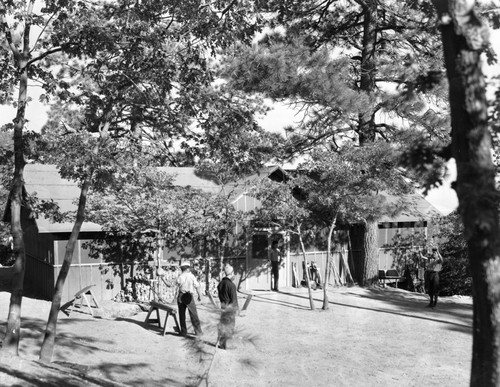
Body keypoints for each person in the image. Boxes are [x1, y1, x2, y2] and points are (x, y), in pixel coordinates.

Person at [173, 260, 203, 336]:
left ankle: (183, 332)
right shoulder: (192, 276)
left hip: (181, 296)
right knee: (193, 314)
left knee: (182, 315)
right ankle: (198, 332)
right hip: (189, 296)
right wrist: (199, 295)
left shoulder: (180, 277)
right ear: (187, 269)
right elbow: (197, 286)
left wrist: (163, 279)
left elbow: (172, 285)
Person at [217, 263, 239, 350]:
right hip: (230, 309)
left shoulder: (220, 284)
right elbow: (234, 301)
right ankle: (228, 344)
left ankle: (222, 344)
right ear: (231, 273)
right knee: (230, 326)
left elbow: (219, 296)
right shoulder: (231, 285)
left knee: (223, 326)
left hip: (223, 308)